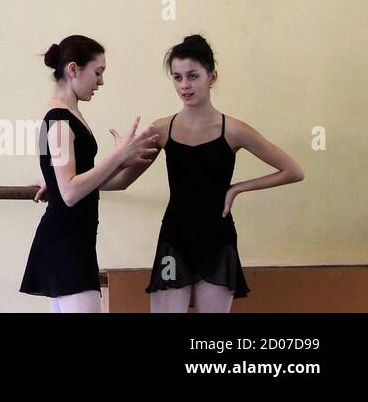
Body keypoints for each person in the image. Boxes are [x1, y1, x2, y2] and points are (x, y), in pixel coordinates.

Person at [130, 34, 304, 312]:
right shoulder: (162, 129)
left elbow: (293, 170)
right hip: (174, 240)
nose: (184, 85)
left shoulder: (234, 130)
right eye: (177, 77)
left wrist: (237, 188)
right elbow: (120, 182)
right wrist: (61, 182)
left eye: (193, 76)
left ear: (212, 76)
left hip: (217, 242)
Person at [20, 35, 159, 312]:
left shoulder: (72, 115)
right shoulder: (59, 120)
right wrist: (118, 156)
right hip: (65, 246)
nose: (101, 82)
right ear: (73, 70)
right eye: (98, 72)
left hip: (74, 242)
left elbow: (93, 182)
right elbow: (70, 192)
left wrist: (135, 158)